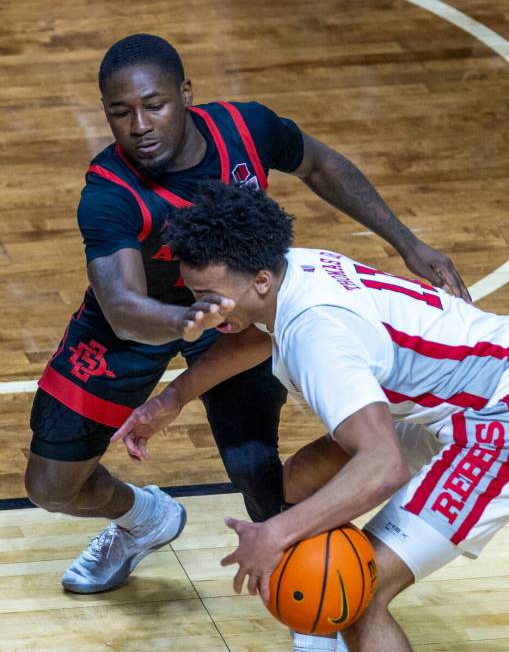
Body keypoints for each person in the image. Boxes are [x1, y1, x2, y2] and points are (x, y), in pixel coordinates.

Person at [27, 32, 469, 597]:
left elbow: (323, 166)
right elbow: (122, 308)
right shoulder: (109, 190)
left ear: (186, 93)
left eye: (154, 105)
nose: (139, 125)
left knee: (257, 471)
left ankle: (313, 607)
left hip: (238, 315)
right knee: (50, 486)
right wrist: (187, 320)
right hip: (140, 324)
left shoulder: (246, 129)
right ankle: (144, 518)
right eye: (121, 112)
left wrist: (411, 245)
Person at [113, 182, 509, 652]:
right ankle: (326, 619)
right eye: (196, 294)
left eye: (211, 297)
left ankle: (340, 610)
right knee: (301, 482)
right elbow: (256, 333)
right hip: (459, 395)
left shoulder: (318, 338)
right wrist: (171, 400)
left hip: (491, 420)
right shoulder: (289, 269)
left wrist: (273, 535)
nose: (202, 310)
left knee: (356, 594)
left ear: (260, 280)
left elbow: (383, 465)